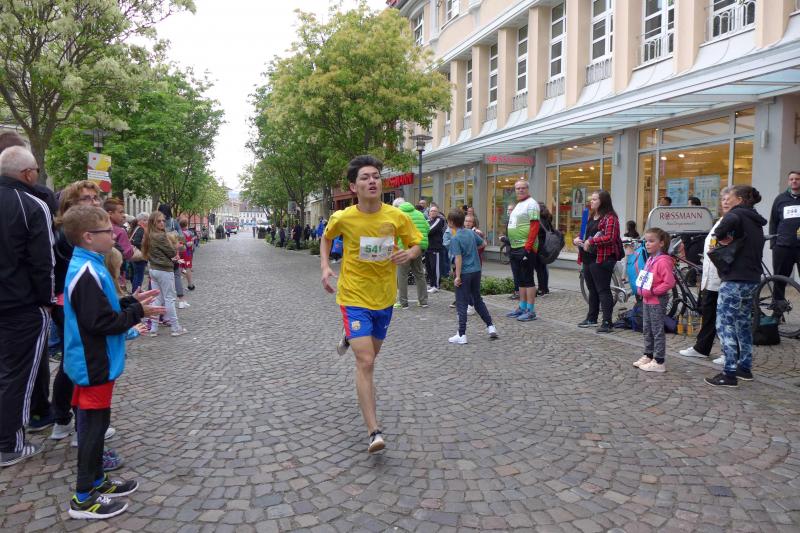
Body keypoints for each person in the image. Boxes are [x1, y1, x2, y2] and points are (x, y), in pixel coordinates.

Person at [60, 205, 163, 519]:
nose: (114, 236)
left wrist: (131, 302)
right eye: (107, 231)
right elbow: (101, 322)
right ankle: (83, 497)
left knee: (99, 422)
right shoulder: (87, 271)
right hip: (93, 360)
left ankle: (97, 480)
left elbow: (102, 308)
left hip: (95, 359)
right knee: (93, 428)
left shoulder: (91, 265)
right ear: (88, 237)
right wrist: (137, 312)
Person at [320, 155, 422, 454]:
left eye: (376, 176)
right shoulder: (343, 218)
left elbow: (417, 243)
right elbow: (326, 238)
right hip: (353, 296)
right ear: (354, 187)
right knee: (366, 361)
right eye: (365, 177)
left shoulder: (396, 216)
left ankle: (349, 336)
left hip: (384, 297)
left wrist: (409, 253)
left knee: (371, 355)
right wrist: (325, 267)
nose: (372, 181)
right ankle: (373, 431)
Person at [0, 146, 55, 467]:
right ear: (28, 174)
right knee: (17, 376)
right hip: (20, 305)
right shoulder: (32, 204)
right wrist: (46, 301)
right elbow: (42, 261)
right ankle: (9, 444)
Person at [705, 185, 766, 388]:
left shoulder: (734, 215)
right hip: (752, 278)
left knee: (725, 323)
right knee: (743, 323)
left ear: (739, 199)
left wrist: (721, 240)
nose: (725, 200)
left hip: (735, 278)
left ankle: (729, 372)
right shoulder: (754, 219)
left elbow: (718, 233)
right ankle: (744, 368)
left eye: (728, 197)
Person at [680, 187, 732, 361]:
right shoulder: (722, 220)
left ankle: (730, 353)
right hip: (711, 276)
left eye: (728, 199)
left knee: (725, 317)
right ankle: (702, 348)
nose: (725, 202)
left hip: (723, 276)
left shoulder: (735, 220)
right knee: (709, 313)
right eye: (723, 199)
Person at [574, 190, 622, 333]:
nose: (591, 201)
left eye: (595, 199)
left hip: (602, 258)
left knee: (603, 290)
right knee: (592, 289)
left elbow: (610, 238)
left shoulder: (610, 218)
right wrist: (577, 239)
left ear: (603, 201)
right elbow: (584, 234)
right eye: (592, 199)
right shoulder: (589, 216)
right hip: (587, 257)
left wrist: (591, 241)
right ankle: (591, 318)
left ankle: (607, 322)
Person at [447, 209, 498, 344]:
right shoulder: (470, 233)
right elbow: (483, 243)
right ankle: (491, 326)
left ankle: (461, 334)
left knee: (461, 303)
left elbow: (458, 258)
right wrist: (473, 251)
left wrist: (457, 276)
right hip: (476, 270)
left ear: (451, 222)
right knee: (477, 300)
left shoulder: (455, 238)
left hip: (464, 273)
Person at [631, 228, 676, 373]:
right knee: (647, 329)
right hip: (647, 299)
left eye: (651, 241)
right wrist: (641, 291)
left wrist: (653, 291)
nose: (647, 244)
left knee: (657, 330)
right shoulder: (651, 259)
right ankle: (648, 355)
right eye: (646, 241)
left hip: (656, 300)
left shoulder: (663, 261)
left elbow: (669, 282)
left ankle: (659, 360)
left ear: (661, 243)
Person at [142, 211, 187, 337]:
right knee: (169, 299)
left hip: (154, 269)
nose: (162, 223)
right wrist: (174, 249)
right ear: (153, 223)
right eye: (159, 221)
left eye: (163, 220)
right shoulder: (160, 236)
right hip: (164, 270)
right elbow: (172, 252)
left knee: (157, 299)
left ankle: (153, 329)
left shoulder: (148, 235)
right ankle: (175, 328)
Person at [505, 180, 540, 322]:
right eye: (517, 188)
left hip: (526, 247)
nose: (520, 190)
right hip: (515, 246)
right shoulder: (519, 204)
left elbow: (535, 226)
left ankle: (530, 310)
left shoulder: (532, 203)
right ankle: (522, 306)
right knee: (520, 278)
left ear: (528, 189)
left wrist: (528, 247)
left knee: (528, 279)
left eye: (523, 188)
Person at [768, 170, 800, 303]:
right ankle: (777, 310)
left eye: (797, 179)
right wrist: (773, 244)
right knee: (779, 280)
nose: (794, 181)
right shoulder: (780, 199)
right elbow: (773, 221)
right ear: (788, 182)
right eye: (791, 179)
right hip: (782, 247)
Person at [392, 198, 429, 310]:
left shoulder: (398, 214)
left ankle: (403, 302)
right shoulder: (419, 213)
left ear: (397, 207)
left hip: (403, 248)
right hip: (418, 247)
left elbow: (395, 232)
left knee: (402, 275)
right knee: (419, 274)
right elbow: (427, 228)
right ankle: (423, 301)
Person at [425, 206, 447, 293]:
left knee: (435, 267)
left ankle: (436, 286)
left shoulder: (439, 220)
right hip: (427, 247)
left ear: (437, 212)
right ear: (429, 213)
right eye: (431, 211)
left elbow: (429, 230)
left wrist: (422, 231)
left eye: (435, 211)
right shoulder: (427, 221)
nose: (433, 212)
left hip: (436, 248)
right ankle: (432, 284)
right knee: (429, 267)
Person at [535, 204, 553, 296]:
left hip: (539, 247)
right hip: (546, 247)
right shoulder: (547, 219)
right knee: (543, 268)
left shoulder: (539, 221)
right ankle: (545, 288)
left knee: (539, 269)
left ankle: (541, 289)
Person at [130, 213, 149, 293]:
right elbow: (136, 242)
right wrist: (144, 249)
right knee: (139, 275)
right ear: (140, 221)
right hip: (139, 256)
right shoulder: (141, 229)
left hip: (135, 255)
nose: (147, 222)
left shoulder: (136, 228)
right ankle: (136, 292)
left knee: (136, 274)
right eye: (145, 220)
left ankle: (136, 290)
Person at [179, 219, 195, 291]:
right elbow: (192, 242)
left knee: (179, 267)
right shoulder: (189, 232)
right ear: (186, 224)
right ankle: (190, 285)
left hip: (181, 252)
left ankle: (177, 285)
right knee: (187, 267)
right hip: (188, 253)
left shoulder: (179, 233)